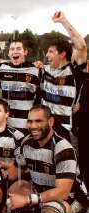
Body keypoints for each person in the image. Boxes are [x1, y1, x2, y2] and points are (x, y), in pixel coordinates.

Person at [40, 11, 87, 140]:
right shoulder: (45, 70)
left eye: (51, 52)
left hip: (66, 130)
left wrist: (63, 21)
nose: (47, 55)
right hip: (45, 128)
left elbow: (81, 46)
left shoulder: (74, 71)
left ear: (62, 54)